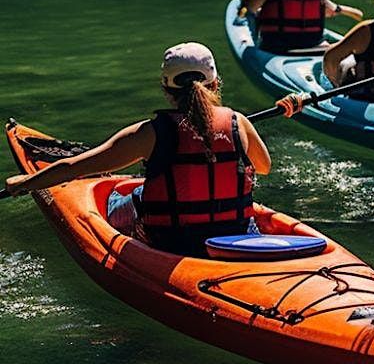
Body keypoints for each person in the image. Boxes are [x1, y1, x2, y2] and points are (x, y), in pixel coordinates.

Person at [4, 43, 272, 257]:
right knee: (143, 190)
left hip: (174, 242)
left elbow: (74, 167)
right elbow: (264, 166)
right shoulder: (239, 122)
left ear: (166, 89)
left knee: (119, 198)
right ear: (215, 84)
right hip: (234, 234)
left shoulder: (149, 133)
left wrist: (26, 183)